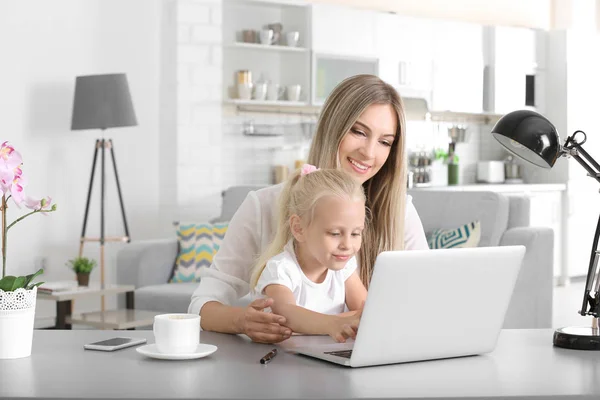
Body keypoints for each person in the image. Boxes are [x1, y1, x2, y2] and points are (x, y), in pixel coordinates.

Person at [189, 74, 429, 343]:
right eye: (358, 132)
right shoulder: (263, 206)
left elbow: (423, 302)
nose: (369, 153)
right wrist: (243, 321)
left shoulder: (400, 212)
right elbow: (203, 306)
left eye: (385, 142)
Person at [250, 165, 368, 343]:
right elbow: (287, 314)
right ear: (299, 228)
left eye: (355, 233)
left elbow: (366, 312)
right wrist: (334, 323)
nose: (347, 245)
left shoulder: (344, 265)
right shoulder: (280, 269)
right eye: (335, 233)